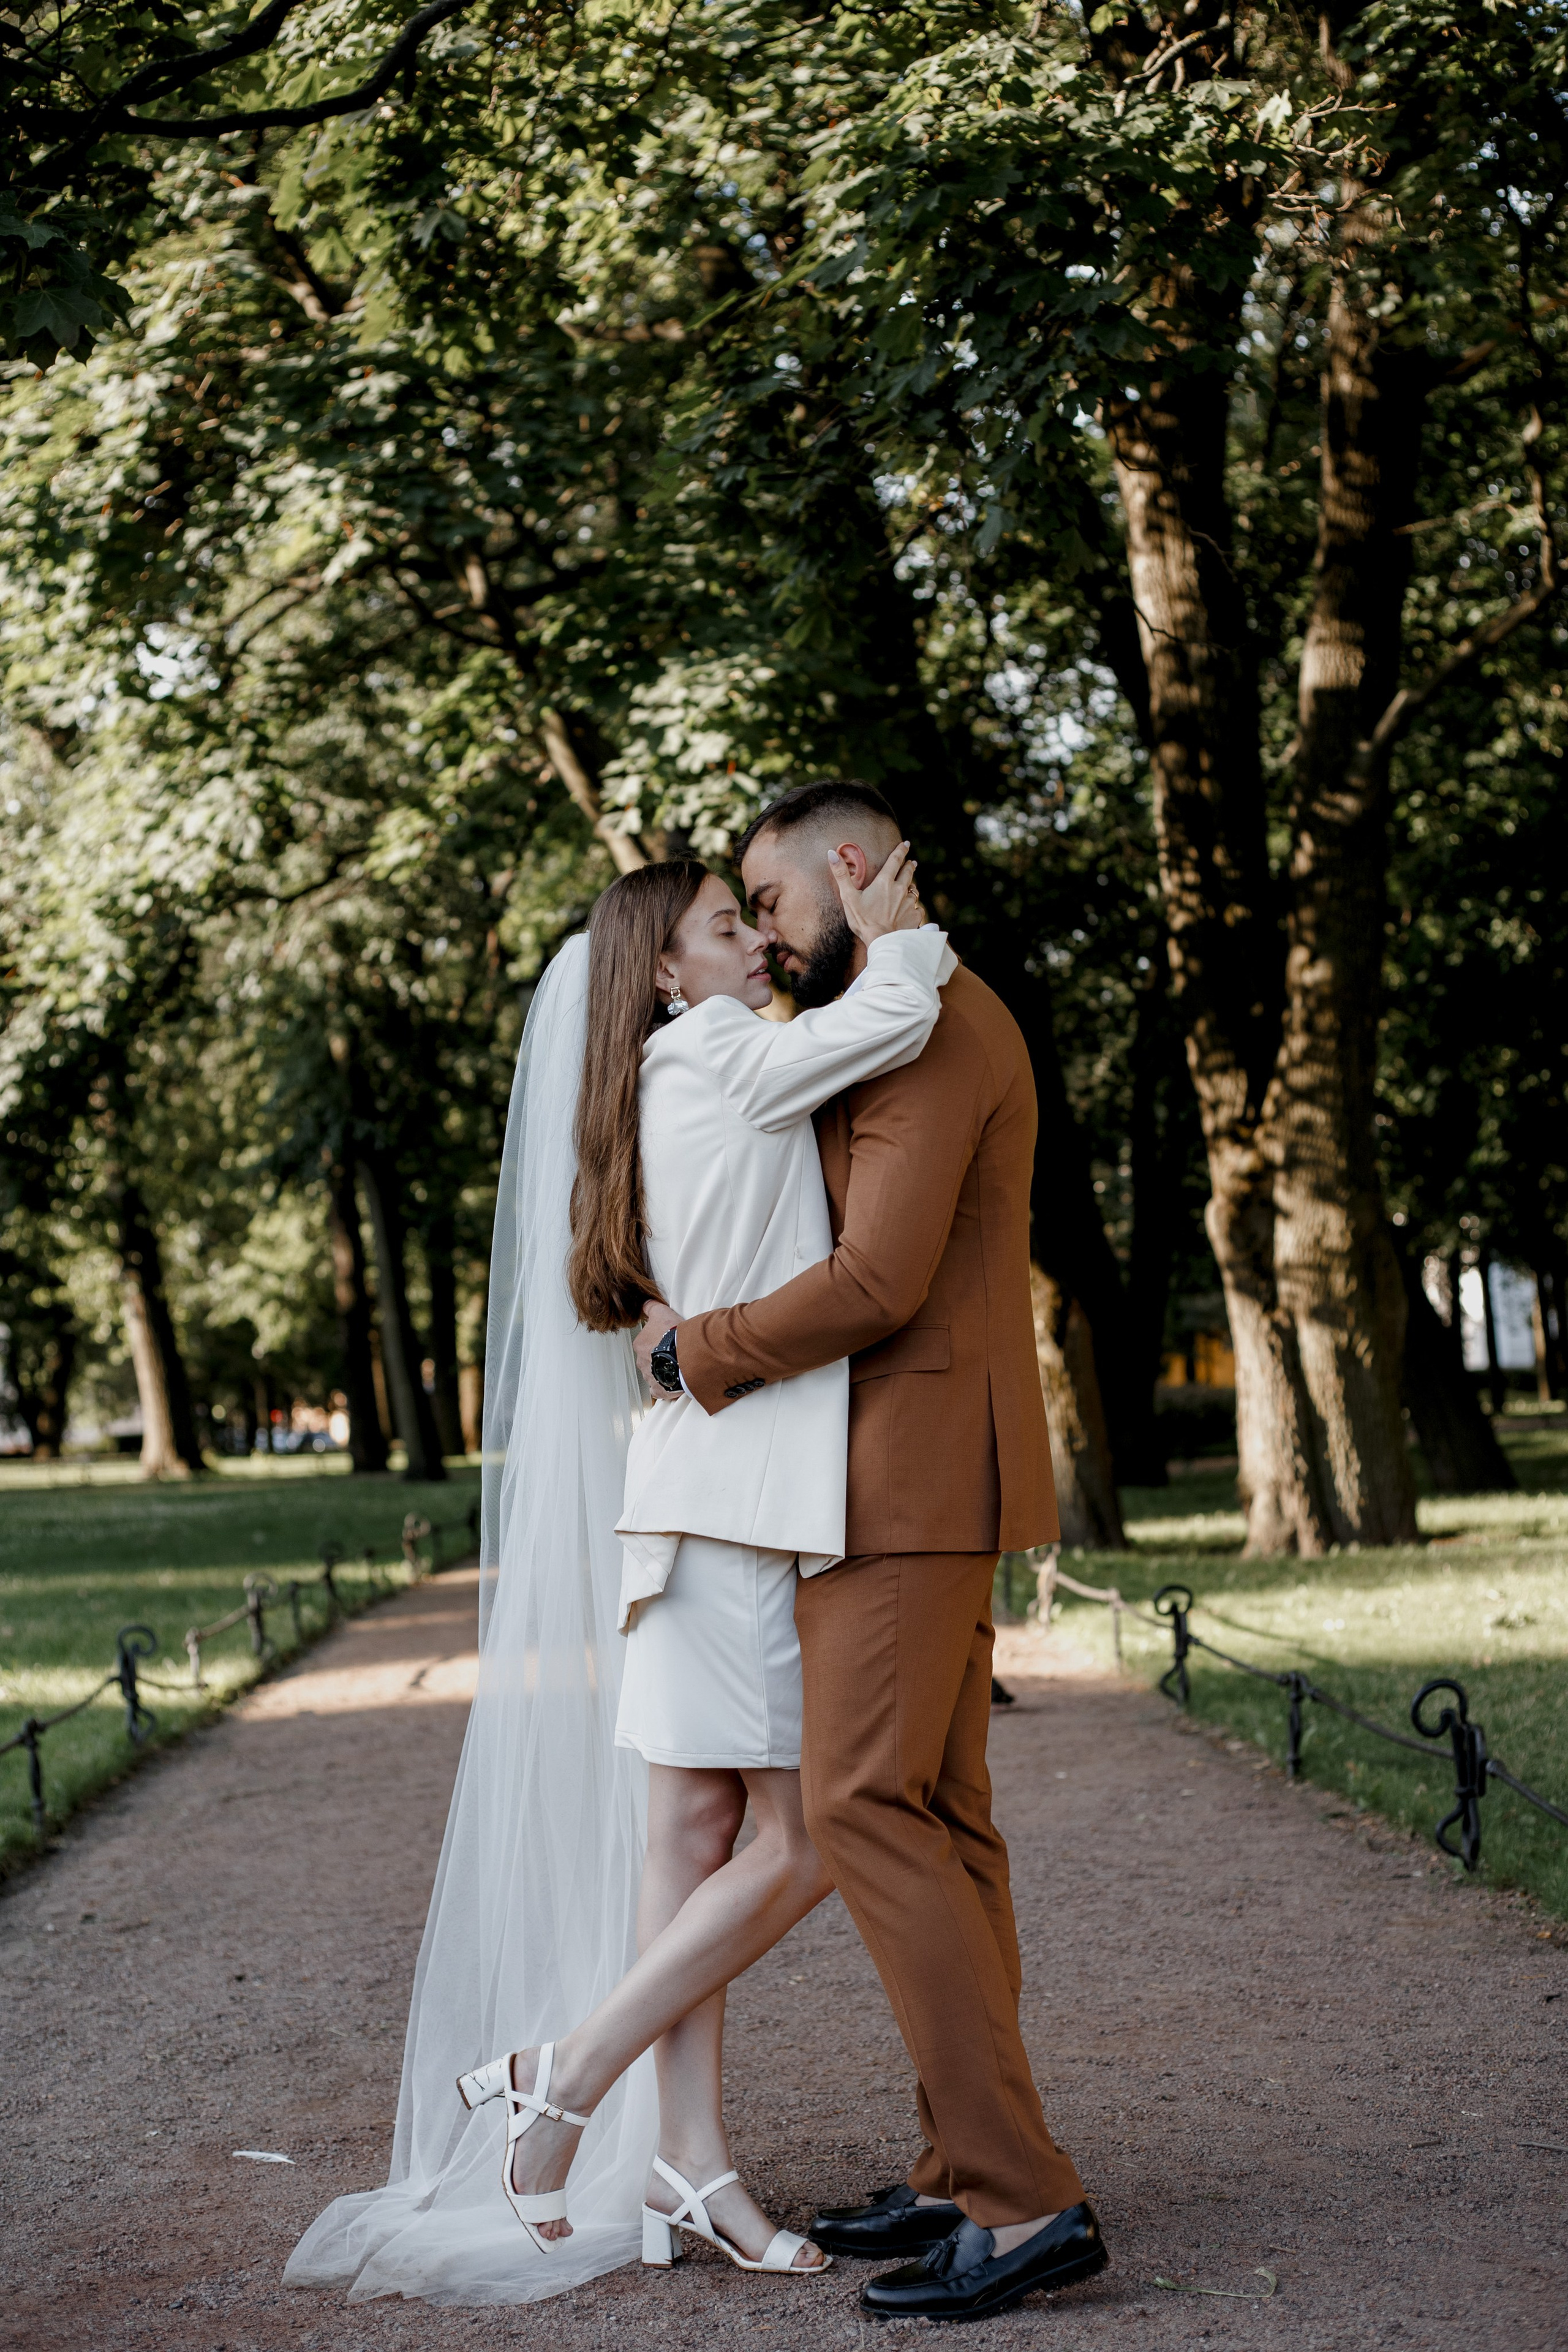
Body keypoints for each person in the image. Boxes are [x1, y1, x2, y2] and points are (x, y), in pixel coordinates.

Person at [285, 837, 946, 2306]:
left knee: (690, 1838)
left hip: (691, 1509)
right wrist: (900, 933)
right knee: (804, 1836)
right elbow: (888, 1021)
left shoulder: (654, 1089)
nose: (757, 945)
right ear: (665, 970)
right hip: (736, 1511)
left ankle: (683, 2161)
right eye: (728, 926)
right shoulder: (710, 1056)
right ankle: (564, 2076)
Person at [633, 779, 1108, 2325]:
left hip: (903, 1475)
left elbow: (872, 1279)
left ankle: (1020, 2201)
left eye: (767, 905)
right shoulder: (905, 1012)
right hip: (909, 1470)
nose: (764, 939)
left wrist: (691, 1351)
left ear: (847, 871)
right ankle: (964, 2170)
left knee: (857, 1805)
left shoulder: (934, 1025)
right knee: (944, 1821)